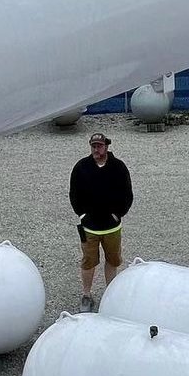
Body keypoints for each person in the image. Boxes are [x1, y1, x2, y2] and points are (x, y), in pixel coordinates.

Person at [68, 131, 133, 312]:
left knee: (112, 260)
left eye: (99, 146)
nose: (96, 149)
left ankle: (110, 294)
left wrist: (118, 214)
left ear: (106, 146)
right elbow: (74, 194)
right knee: (88, 262)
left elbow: (127, 194)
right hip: (89, 228)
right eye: (93, 146)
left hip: (112, 227)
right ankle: (86, 295)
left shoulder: (119, 167)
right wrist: (82, 215)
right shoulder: (81, 167)